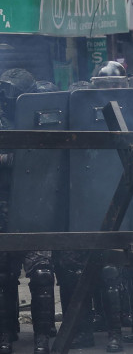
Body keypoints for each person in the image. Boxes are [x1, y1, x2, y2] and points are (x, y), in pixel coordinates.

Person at [0, 69, 58, 354]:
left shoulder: (42, 115)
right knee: (3, 275)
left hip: (35, 203)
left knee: (42, 274)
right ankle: (5, 333)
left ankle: (42, 336)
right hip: (3, 203)